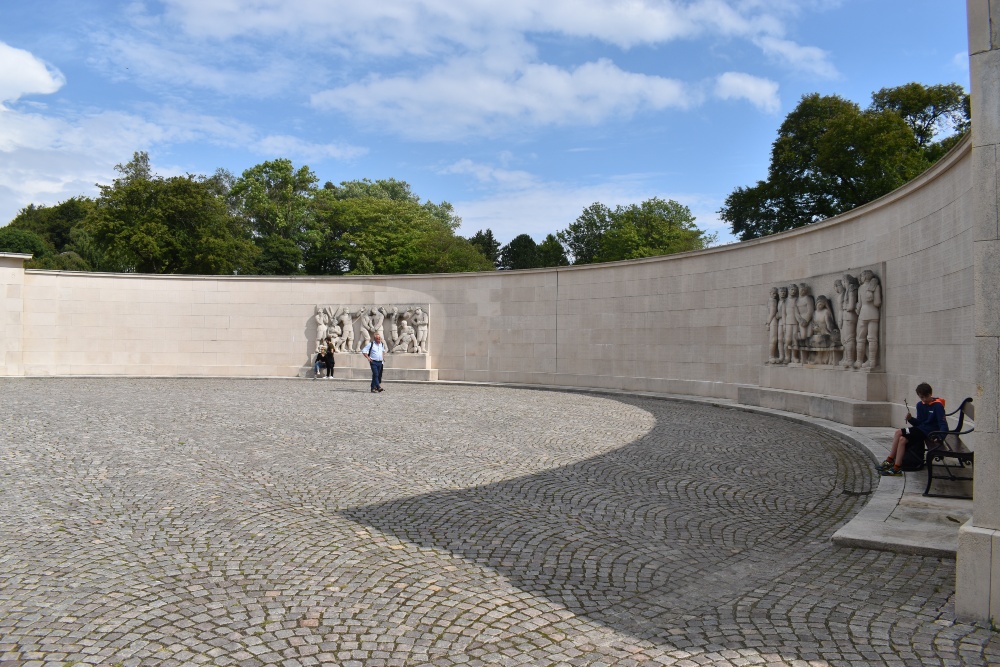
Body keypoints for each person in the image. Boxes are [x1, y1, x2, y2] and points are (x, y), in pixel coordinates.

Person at [879, 382, 947, 476]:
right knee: (902, 439)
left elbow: (943, 424)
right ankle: (897, 467)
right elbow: (919, 423)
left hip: (929, 433)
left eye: (925, 396)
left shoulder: (938, 406)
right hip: (920, 430)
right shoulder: (920, 405)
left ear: (930, 394)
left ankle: (889, 460)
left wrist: (940, 437)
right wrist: (910, 419)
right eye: (921, 397)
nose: (924, 399)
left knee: (898, 432)